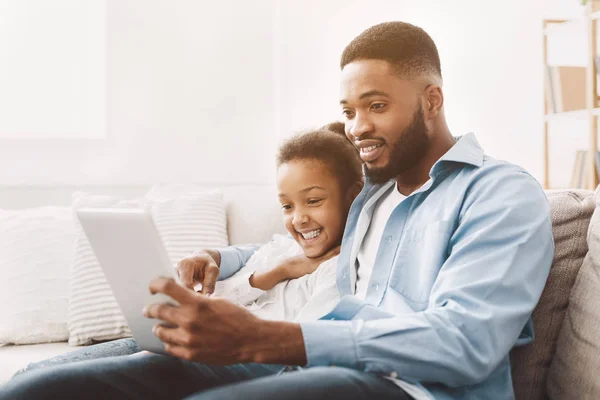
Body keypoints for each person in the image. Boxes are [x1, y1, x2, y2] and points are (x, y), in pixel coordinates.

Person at [1, 21, 554, 400]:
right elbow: (306, 248)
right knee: (38, 388)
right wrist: (222, 255)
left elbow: (465, 343)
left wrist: (267, 339)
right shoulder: (372, 194)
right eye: (349, 109)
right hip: (305, 360)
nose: (357, 126)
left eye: (377, 106)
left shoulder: (499, 194)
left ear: (432, 100)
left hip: (408, 389)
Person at [12, 126, 361, 374]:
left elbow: (296, 350)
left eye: (313, 201)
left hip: (230, 360)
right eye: (286, 206)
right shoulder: (277, 249)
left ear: (353, 195)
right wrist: (270, 275)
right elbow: (207, 299)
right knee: (32, 370)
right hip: (186, 339)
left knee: (48, 385)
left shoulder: (338, 268)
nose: (299, 219)